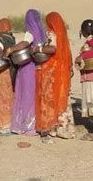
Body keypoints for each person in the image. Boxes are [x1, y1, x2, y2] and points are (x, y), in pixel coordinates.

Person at [32, 12, 75, 143]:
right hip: (61, 70)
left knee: (49, 98)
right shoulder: (63, 36)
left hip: (52, 71)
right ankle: (65, 129)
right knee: (62, 96)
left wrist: (38, 49)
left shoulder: (52, 33)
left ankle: (50, 128)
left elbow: (52, 49)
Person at [4, 9, 47, 136]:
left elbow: (24, 43)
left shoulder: (30, 33)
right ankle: (35, 124)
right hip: (38, 65)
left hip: (27, 67)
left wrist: (11, 49)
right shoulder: (42, 33)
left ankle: (26, 125)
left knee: (26, 94)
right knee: (34, 94)